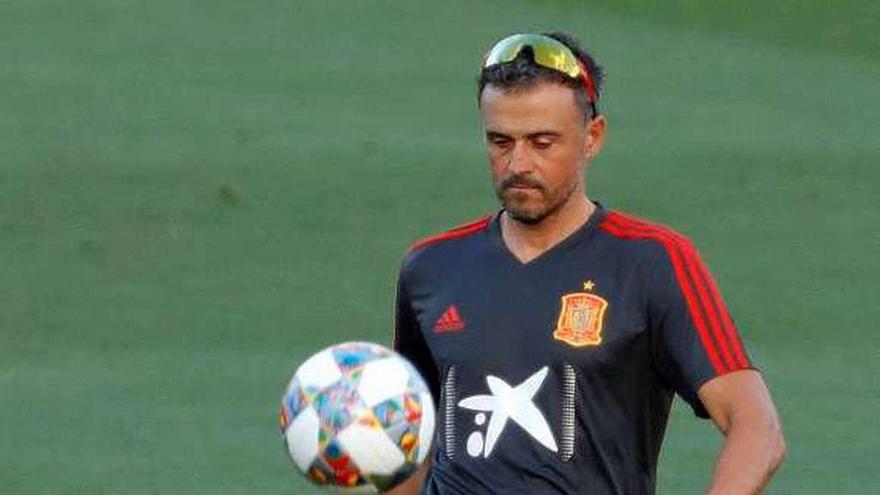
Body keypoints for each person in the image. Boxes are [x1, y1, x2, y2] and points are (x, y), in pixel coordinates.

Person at [391, 32, 785, 495]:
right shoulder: (431, 267)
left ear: (592, 137)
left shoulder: (651, 261)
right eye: (500, 141)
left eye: (542, 142)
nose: (517, 163)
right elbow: (413, 443)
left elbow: (757, 429)